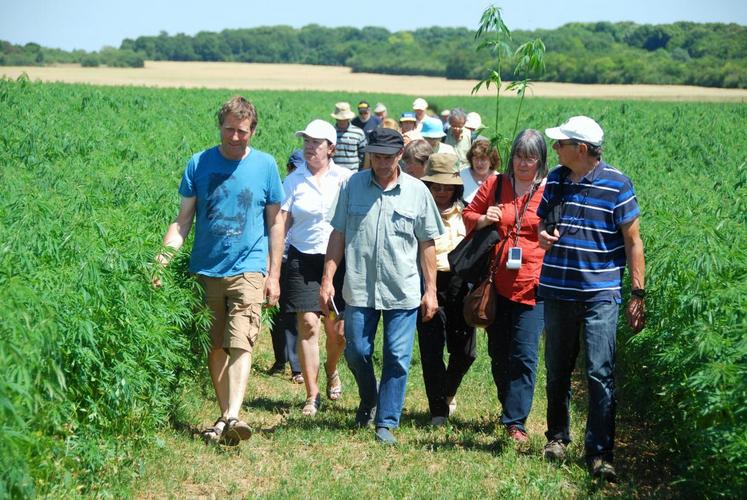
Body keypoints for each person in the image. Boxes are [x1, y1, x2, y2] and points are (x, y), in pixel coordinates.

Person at [152, 96, 284, 445]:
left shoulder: (266, 166)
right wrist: (162, 259)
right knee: (215, 345)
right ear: (220, 127)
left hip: (249, 268)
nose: (235, 137)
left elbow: (275, 224)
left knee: (241, 340)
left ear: (252, 131)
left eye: (242, 131)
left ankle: (234, 414)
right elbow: (182, 222)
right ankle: (226, 417)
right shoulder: (199, 164)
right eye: (229, 129)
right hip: (206, 269)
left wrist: (273, 275)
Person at [537, 116, 646, 482]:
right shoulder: (555, 178)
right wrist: (543, 235)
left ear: (581, 149)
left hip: (600, 295)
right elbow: (543, 223)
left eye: (561, 142)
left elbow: (633, 241)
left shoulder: (617, 185)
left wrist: (637, 293)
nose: (554, 148)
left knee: (600, 373)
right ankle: (557, 438)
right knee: (557, 371)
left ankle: (600, 453)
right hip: (556, 291)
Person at [320, 128, 444, 445]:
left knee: (397, 356)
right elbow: (338, 234)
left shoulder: (417, 192)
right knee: (357, 351)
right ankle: (369, 398)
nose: (381, 163)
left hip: (402, 291)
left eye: (387, 157)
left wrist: (430, 290)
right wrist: (327, 277)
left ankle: (386, 422)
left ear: (400, 155)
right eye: (375, 156)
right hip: (359, 287)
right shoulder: (352, 186)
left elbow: (427, 244)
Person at [462, 129, 549, 448]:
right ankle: (508, 406)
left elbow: (561, 227)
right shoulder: (496, 184)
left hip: (533, 284)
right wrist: (485, 217)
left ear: (541, 160)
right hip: (496, 283)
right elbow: (467, 215)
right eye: (519, 156)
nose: (524, 163)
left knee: (524, 355)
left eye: (531, 157)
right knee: (499, 354)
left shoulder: (550, 190)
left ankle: (516, 421)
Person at [277, 119, 351, 416]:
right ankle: (312, 394)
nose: (309, 147)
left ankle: (332, 369)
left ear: (331, 148)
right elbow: (282, 223)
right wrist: (274, 264)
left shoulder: (346, 179)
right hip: (302, 259)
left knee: (339, 332)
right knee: (308, 324)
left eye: (316, 142)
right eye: (306, 141)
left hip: (339, 261)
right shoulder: (293, 181)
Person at [417, 153, 476, 426]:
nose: (441, 192)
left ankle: (448, 391)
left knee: (466, 352)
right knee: (431, 351)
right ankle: (438, 410)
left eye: (446, 186)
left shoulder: (467, 212)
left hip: (460, 285)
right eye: (435, 186)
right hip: (427, 283)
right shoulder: (417, 211)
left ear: (456, 187)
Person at [270, 149, 304, 384]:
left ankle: (296, 367)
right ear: (289, 168)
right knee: (276, 311)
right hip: (277, 257)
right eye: (295, 168)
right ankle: (280, 360)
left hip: (297, 258)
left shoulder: (308, 189)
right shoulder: (278, 191)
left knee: (292, 313)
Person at [461, 139, 500, 204]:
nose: (479, 163)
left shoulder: (499, 180)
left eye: (483, 159)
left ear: (491, 161)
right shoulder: (462, 175)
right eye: (476, 158)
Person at [331, 102, 367, 172]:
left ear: (348, 118)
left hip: (353, 174)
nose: (342, 120)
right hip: (334, 174)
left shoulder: (358, 132)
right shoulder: (331, 132)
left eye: (344, 119)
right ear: (336, 118)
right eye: (340, 119)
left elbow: (363, 154)